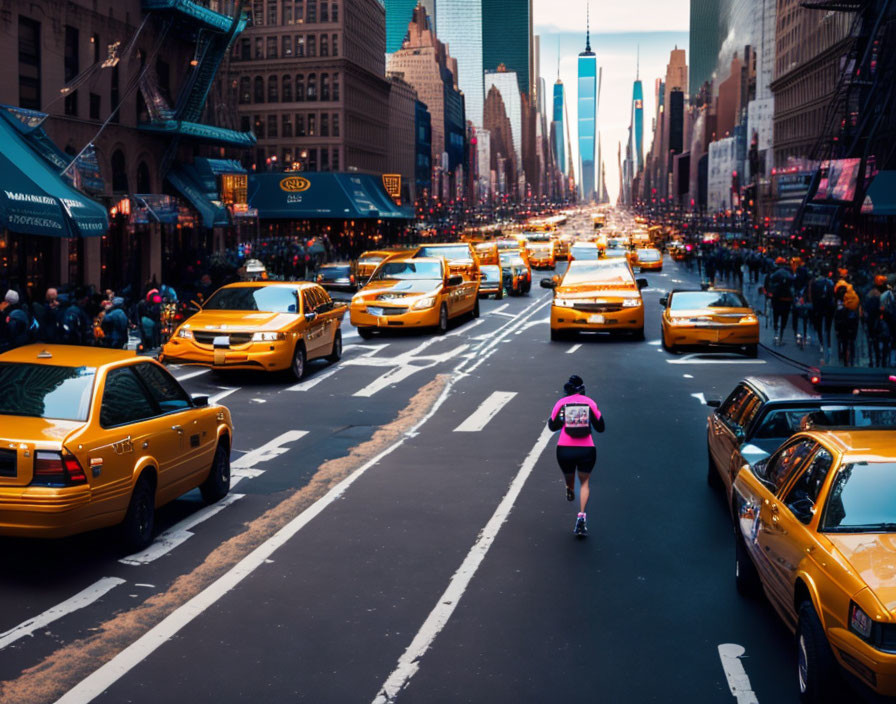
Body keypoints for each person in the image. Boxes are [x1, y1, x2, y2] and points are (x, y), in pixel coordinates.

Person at [547, 375, 605, 537]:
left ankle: (569, 488)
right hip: (587, 449)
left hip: (564, 449)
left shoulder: (561, 403)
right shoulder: (590, 403)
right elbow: (601, 427)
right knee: (585, 483)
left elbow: (553, 426)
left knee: (569, 475)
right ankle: (581, 517)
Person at [765, 257, 795, 346]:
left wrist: (768, 294)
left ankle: (775, 334)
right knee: (784, 318)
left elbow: (769, 285)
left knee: (776, 316)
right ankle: (781, 336)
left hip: (776, 299)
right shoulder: (790, 273)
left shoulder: (774, 273)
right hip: (787, 300)